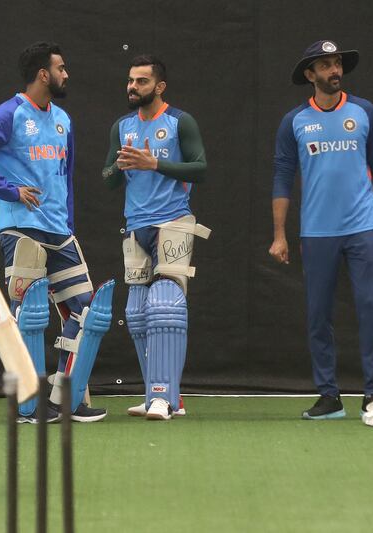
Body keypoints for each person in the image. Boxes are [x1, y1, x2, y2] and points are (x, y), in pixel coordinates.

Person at [0, 42, 114, 424]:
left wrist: (69, 222)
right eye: (61, 68)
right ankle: (28, 406)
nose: (66, 74)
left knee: (87, 309)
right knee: (29, 314)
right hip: (21, 230)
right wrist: (10, 191)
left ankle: (66, 396)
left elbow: (65, 176)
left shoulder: (63, 119)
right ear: (43, 74)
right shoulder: (9, 113)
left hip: (59, 231)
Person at [269, 40, 373, 420]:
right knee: (318, 315)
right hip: (317, 233)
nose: (334, 70)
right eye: (325, 65)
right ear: (310, 75)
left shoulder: (364, 112)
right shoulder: (294, 121)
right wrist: (279, 234)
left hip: (364, 227)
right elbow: (282, 177)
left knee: (370, 307)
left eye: (337, 64)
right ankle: (329, 397)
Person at [102, 55, 210, 420]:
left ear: (159, 87)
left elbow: (200, 168)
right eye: (130, 80)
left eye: (142, 81)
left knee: (164, 307)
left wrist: (156, 164)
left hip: (173, 222)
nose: (133, 87)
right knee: (136, 313)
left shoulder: (180, 122)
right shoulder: (123, 126)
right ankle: (162, 396)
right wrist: (117, 168)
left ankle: (162, 396)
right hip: (136, 226)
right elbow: (108, 177)